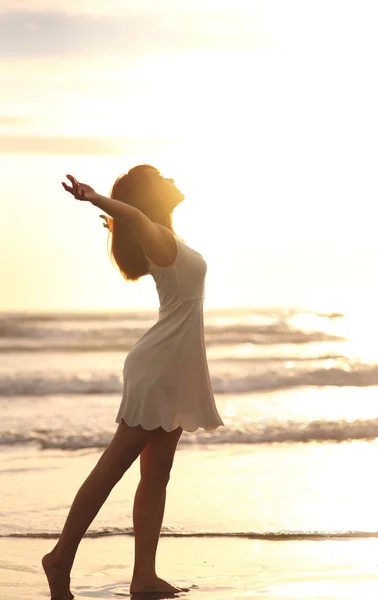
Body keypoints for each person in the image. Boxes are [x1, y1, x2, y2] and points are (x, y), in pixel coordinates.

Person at [41, 165, 225, 599]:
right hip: (159, 367)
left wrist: (115, 217)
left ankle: (144, 576)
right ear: (150, 196)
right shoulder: (155, 232)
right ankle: (60, 556)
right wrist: (95, 198)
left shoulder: (166, 237)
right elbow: (137, 218)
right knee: (113, 467)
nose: (175, 180)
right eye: (163, 177)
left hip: (174, 366)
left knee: (157, 471)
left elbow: (139, 222)